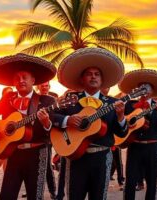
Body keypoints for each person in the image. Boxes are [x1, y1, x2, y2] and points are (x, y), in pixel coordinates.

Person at [51, 47, 128, 200]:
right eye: (89, 74)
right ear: (82, 79)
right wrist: (67, 120)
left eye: (97, 74)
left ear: (102, 79)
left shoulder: (113, 103)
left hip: (102, 157)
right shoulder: (71, 99)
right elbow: (51, 115)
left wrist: (120, 117)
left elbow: (122, 134)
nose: (93, 77)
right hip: (75, 158)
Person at [0, 53, 57, 199]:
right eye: (17, 78)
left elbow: (55, 129)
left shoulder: (47, 101)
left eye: (24, 77)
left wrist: (46, 123)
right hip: (13, 154)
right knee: (6, 196)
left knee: (35, 196)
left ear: (33, 80)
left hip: (37, 154)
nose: (21, 80)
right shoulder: (8, 99)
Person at [119, 69, 157, 200]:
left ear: (152, 91)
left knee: (152, 181)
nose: (143, 89)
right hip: (134, 146)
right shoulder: (130, 105)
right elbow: (121, 123)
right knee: (130, 181)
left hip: (153, 147)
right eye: (141, 87)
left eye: (147, 87)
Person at [36, 81, 58, 199]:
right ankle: (33, 188)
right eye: (42, 85)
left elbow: (57, 117)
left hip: (49, 137)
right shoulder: (35, 98)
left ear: (49, 87)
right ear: (38, 86)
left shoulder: (53, 98)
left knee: (47, 165)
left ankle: (52, 190)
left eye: (46, 85)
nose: (44, 87)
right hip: (35, 138)